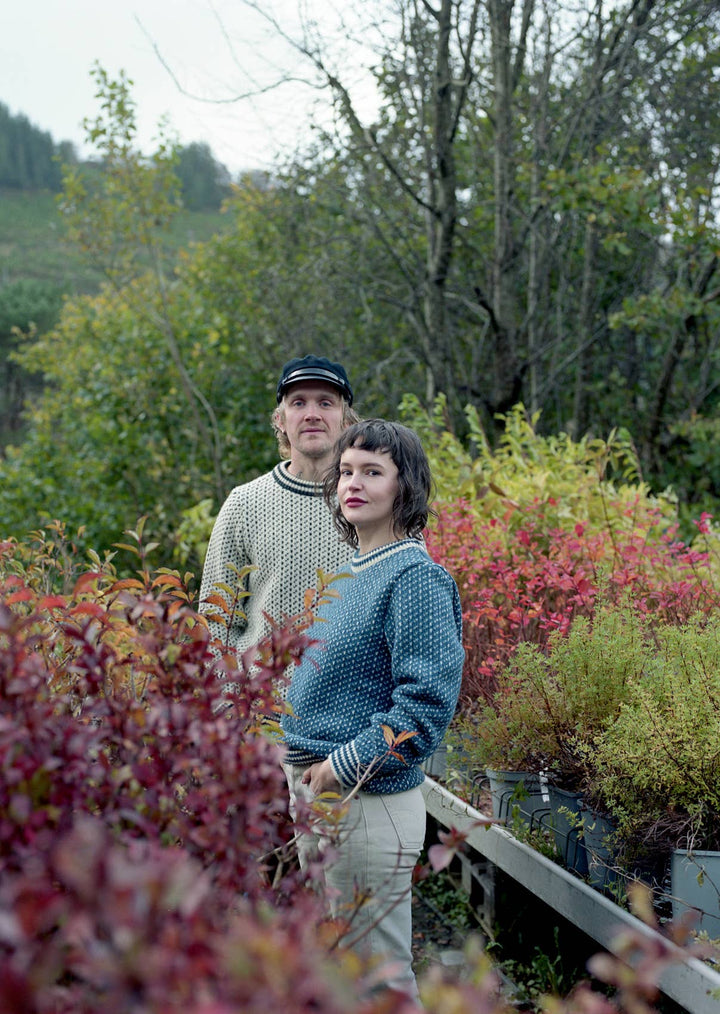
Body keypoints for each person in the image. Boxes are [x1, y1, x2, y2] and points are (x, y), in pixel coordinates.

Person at [280, 419, 464, 999]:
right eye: (345, 472)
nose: (352, 484)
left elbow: (424, 708)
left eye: (372, 472)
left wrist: (338, 768)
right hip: (322, 798)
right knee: (337, 983)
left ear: (404, 486)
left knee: (378, 989)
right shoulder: (352, 571)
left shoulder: (415, 578)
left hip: (366, 804)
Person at [199, 354, 359, 671]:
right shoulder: (244, 504)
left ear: (346, 420)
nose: (312, 414)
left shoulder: (376, 502)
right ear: (280, 420)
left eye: (325, 403)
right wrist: (233, 697)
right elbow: (216, 623)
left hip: (351, 701)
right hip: (260, 698)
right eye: (298, 403)